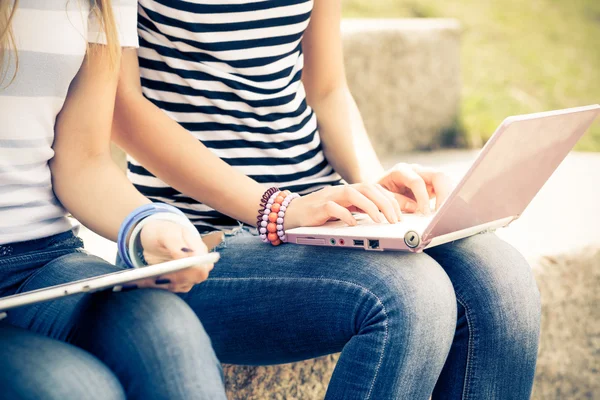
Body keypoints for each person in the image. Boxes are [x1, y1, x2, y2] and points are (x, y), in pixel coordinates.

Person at [111, 1, 542, 399]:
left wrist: (377, 189)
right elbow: (119, 109)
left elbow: (328, 88)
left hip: (318, 212)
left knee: (501, 281)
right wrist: (276, 208)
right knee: (412, 295)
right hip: (198, 240)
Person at [0, 1, 225, 398]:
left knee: (166, 332)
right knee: (76, 389)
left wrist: (151, 225)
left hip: (41, 264)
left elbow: (83, 162)